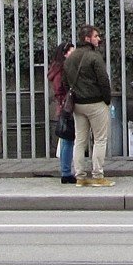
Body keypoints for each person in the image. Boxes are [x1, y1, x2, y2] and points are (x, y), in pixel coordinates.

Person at [64, 25, 115, 186]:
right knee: (100, 139)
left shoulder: (71, 58)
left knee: (80, 140)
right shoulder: (94, 57)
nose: (99, 39)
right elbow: (104, 81)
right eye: (96, 36)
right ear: (87, 38)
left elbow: (66, 81)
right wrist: (107, 99)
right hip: (95, 103)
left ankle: (79, 177)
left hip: (77, 104)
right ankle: (98, 176)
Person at [45, 41, 76, 185]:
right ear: (64, 54)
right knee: (68, 139)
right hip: (67, 107)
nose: (74, 54)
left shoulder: (57, 69)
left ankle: (66, 170)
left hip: (63, 106)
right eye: (71, 51)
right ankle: (66, 172)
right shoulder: (62, 70)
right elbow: (60, 90)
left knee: (66, 139)